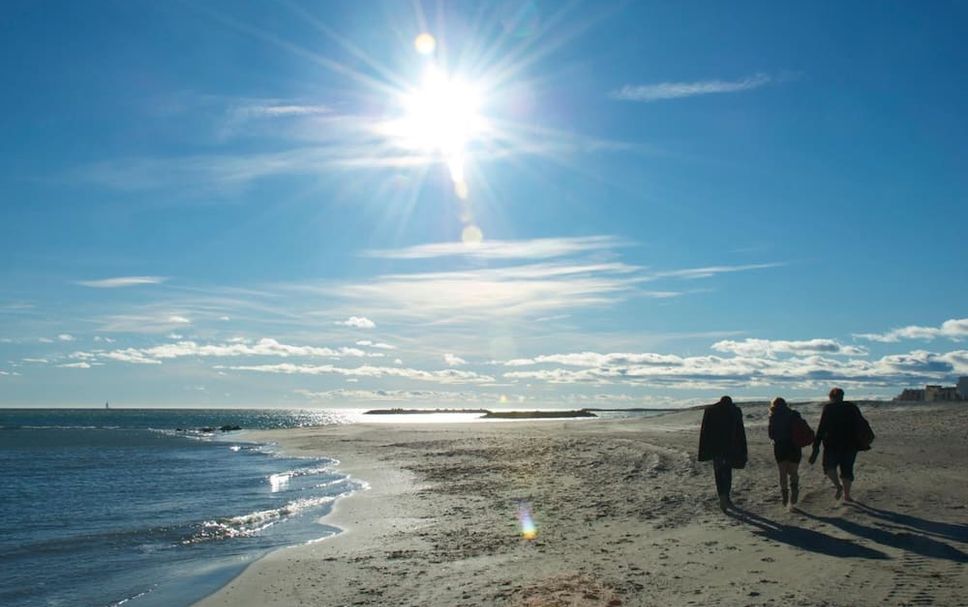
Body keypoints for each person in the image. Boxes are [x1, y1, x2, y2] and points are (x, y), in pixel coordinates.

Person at [809, 387, 862, 502]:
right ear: (842, 396)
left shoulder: (829, 408)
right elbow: (861, 424)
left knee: (829, 468)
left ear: (831, 397)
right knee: (847, 470)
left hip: (832, 444)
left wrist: (816, 445)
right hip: (850, 444)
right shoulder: (852, 407)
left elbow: (822, 427)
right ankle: (847, 495)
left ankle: (838, 486)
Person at [698, 396, 748, 512]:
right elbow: (740, 431)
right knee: (727, 472)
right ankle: (726, 496)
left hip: (716, 448)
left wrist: (705, 450)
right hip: (731, 447)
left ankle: (722, 497)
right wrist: (742, 449)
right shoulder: (735, 410)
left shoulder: (710, 410)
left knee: (719, 473)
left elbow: (705, 430)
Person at [768, 397, 802, 510]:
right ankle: (794, 489)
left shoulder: (773, 416)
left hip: (780, 447)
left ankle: (785, 494)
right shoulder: (794, 414)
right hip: (794, 446)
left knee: (782, 473)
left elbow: (771, 434)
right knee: (794, 471)